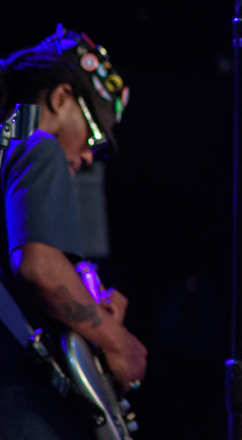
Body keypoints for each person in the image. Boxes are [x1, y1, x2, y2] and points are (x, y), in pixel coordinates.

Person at [0, 26, 147, 439]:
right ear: (61, 98)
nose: (87, 155)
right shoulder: (38, 145)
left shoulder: (7, 143)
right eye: (93, 134)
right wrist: (116, 340)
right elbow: (39, 266)